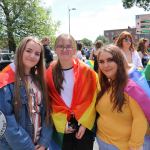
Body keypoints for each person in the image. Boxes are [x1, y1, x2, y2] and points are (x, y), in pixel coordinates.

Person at [46, 33, 99, 150]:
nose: (65, 49)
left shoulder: (87, 71)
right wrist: (60, 124)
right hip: (60, 123)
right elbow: (48, 102)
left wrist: (85, 124)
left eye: (68, 46)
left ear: (74, 49)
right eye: (60, 46)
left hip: (84, 123)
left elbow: (94, 98)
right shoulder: (48, 73)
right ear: (55, 49)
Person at [0, 36, 52, 150]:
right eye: (28, 51)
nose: (33, 56)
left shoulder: (39, 80)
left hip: (39, 145)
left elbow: (47, 113)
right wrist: (28, 147)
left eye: (37, 53)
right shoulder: (4, 80)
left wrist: (44, 142)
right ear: (20, 51)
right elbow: (6, 123)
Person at [96, 44, 149, 150]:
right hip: (101, 140)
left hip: (121, 146)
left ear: (119, 61)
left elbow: (140, 120)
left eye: (110, 60)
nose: (105, 65)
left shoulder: (131, 88)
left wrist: (134, 146)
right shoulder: (105, 84)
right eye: (101, 62)